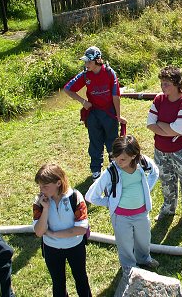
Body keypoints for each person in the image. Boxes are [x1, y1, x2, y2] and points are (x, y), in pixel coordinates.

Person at [85, 135, 160, 276]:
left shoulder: (142, 163)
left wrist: (146, 190)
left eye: (122, 159)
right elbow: (91, 196)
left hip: (141, 213)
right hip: (121, 216)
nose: (118, 162)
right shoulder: (111, 171)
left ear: (133, 156)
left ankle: (144, 259)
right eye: (115, 157)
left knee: (143, 239)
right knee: (124, 244)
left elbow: (155, 172)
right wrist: (110, 202)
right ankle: (129, 267)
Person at [64, 46, 127, 180]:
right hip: (93, 114)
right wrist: (83, 101)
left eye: (89, 62)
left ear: (98, 60)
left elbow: (116, 96)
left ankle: (114, 166)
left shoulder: (110, 73)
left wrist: (118, 115)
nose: (86, 64)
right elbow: (68, 89)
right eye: (85, 62)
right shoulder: (85, 75)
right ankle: (96, 170)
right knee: (95, 142)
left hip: (109, 113)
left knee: (112, 140)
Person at [147, 66, 182, 227]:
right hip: (161, 151)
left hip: (181, 151)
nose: (163, 87)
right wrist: (169, 128)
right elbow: (150, 124)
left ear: (177, 83)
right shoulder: (159, 99)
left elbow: (179, 130)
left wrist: (161, 125)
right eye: (162, 83)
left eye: (166, 83)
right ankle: (168, 208)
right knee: (166, 181)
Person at [33, 164, 92, 297]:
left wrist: (54, 234)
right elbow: (39, 232)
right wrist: (46, 209)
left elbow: (81, 228)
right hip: (51, 249)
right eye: (40, 186)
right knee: (58, 283)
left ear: (58, 183)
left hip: (75, 246)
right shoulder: (39, 201)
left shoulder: (75, 197)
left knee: (81, 279)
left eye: (45, 186)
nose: (41, 190)